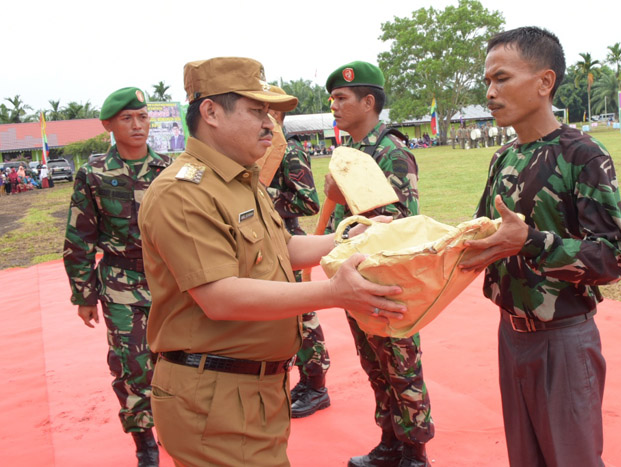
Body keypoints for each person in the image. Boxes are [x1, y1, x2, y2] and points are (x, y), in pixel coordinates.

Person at [138, 56, 406, 467]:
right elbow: (219, 297)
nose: (270, 125)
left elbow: (284, 247)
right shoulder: (183, 192)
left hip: (251, 388)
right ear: (210, 112)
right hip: (214, 395)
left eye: (270, 114)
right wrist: (334, 293)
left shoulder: (239, 179)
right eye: (256, 111)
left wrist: (350, 237)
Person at [458, 27, 621, 467]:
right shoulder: (503, 157)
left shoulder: (582, 155)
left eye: (502, 78)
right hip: (510, 334)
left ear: (544, 82)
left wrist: (533, 243)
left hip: (563, 339)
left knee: (572, 458)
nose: (490, 92)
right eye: (487, 81)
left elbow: (613, 256)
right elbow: (483, 232)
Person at [325, 60, 432, 467]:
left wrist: (345, 197)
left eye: (341, 98)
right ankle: (390, 442)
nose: (334, 106)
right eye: (332, 98)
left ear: (368, 102)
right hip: (356, 280)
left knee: (401, 367)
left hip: (388, 283)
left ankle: (415, 453)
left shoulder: (392, 152)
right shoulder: (352, 154)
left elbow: (402, 226)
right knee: (374, 366)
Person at [63, 86, 172, 467]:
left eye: (143, 117)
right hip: (120, 285)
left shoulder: (170, 169)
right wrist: (84, 296)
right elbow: (79, 237)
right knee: (132, 365)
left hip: (170, 283)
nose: (137, 125)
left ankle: (177, 428)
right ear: (108, 125)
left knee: (177, 359)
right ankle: (145, 444)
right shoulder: (93, 174)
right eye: (127, 118)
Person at [265, 85, 330, 419]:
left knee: (302, 316)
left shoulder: (289, 150)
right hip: (262, 243)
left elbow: (308, 201)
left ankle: (316, 385)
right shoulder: (254, 149)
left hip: (288, 241)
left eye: (264, 110)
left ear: (277, 115)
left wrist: (261, 196)